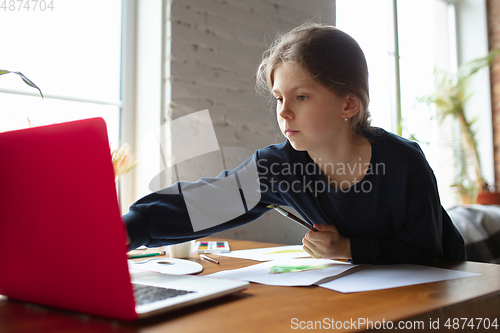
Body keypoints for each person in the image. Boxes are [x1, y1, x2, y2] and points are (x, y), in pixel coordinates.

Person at [123, 23, 466, 265]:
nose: (284, 112)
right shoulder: (278, 167)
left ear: (348, 105)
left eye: (301, 97)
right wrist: (126, 229)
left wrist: (348, 247)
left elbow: (427, 251)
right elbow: (205, 203)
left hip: (444, 295)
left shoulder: (404, 163)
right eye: (278, 98)